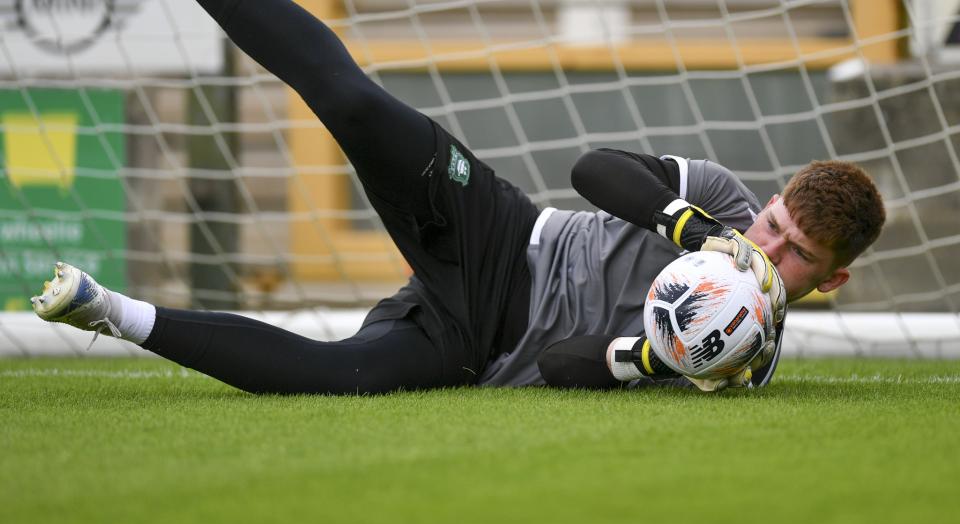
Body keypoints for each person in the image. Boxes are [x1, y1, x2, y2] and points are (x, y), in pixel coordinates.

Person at [30, 0, 885, 394]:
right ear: (768, 202)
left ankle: (111, 312)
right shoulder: (724, 205)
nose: (767, 249)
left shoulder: (741, 360)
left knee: (336, 376)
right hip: (502, 232)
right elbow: (593, 169)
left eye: (798, 255)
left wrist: (662, 356)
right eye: (775, 225)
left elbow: (562, 364)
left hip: (476, 347)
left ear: (832, 279)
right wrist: (692, 231)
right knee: (357, 106)